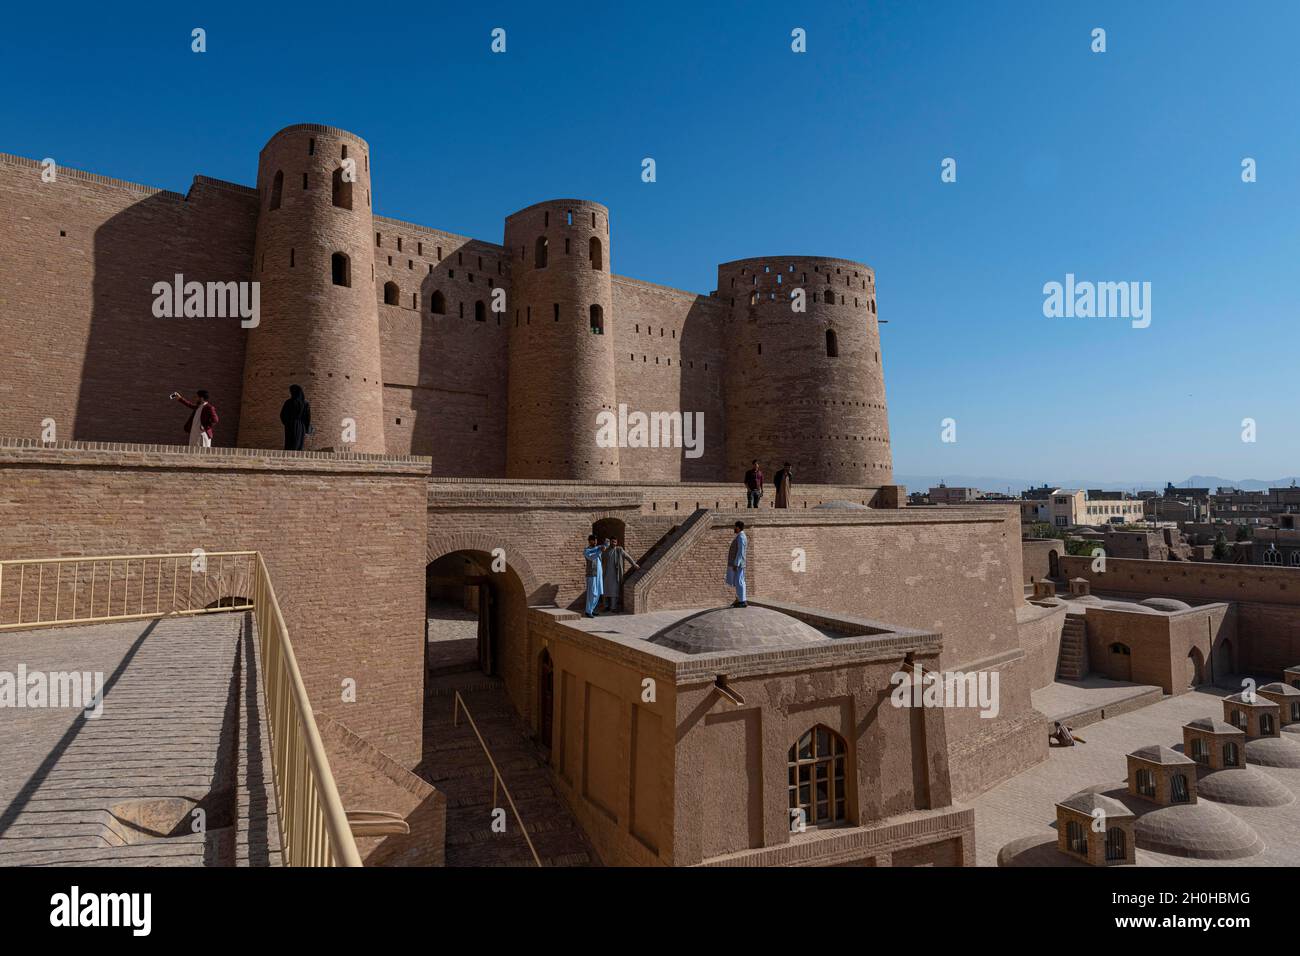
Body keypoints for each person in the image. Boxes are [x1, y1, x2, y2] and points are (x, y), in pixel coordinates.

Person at [601, 537, 640, 613]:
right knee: (605, 591)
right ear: (610, 542)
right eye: (612, 542)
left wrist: (634, 564)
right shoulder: (606, 551)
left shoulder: (619, 550)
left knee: (614, 591)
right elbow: (600, 558)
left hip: (616, 575)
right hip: (606, 574)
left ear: (617, 542)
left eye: (615, 542)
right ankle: (606, 606)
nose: (614, 543)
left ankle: (613, 607)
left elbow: (627, 557)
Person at [279, 384, 312, 451]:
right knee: (299, 442)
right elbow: (307, 417)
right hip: (301, 426)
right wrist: (306, 426)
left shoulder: (288, 402)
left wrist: (286, 422)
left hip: (290, 425)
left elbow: (282, 414)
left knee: (289, 442)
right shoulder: (305, 403)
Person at [583, 534, 607, 618]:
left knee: (598, 592)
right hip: (592, 574)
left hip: (599, 574)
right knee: (592, 593)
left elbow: (603, 546)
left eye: (596, 540)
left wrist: (605, 545)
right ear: (590, 541)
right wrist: (600, 550)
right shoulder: (586, 550)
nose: (596, 542)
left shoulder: (598, 547)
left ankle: (592, 610)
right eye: (594, 540)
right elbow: (592, 557)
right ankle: (588, 611)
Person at [725, 521, 748, 607]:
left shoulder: (741, 537)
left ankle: (742, 601)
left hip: (739, 564)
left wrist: (736, 564)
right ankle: (740, 599)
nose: (734, 528)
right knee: (738, 581)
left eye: (735, 527)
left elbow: (740, 552)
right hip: (738, 563)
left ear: (738, 527)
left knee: (739, 581)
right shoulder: (740, 536)